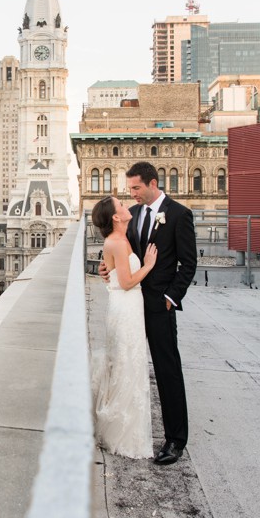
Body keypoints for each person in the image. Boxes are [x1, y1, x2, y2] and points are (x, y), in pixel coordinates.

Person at [99, 161, 197, 465]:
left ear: (153, 183)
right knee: (131, 366)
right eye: (129, 190)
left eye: (136, 188)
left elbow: (189, 264)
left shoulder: (180, 215)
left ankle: (175, 441)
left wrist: (171, 298)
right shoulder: (136, 215)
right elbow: (125, 255)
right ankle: (128, 427)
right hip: (132, 305)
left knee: (168, 371)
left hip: (159, 306)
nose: (133, 195)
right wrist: (107, 269)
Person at [90, 196, 158, 458]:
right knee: (127, 362)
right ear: (116, 217)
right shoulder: (116, 242)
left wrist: (108, 271)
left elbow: (116, 275)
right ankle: (123, 432)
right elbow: (128, 282)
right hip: (126, 305)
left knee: (129, 362)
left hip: (127, 305)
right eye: (120, 204)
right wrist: (149, 265)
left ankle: (126, 426)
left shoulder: (121, 238)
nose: (125, 204)